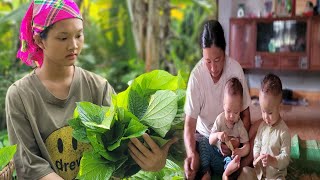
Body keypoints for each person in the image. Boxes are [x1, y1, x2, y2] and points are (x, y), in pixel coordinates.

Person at [5, 1, 176, 179]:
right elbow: (29, 164)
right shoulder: (20, 95)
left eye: (79, 35)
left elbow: (121, 149)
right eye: (63, 38)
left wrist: (152, 162)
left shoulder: (98, 87)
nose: (73, 45)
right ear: (40, 40)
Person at [183, 19, 253, 179]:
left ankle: (230, 170)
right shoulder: (196, 76)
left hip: (232, 135)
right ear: (202, 55)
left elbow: (246, 116)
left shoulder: (235, 69)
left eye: (217, 60)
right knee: (192, 166)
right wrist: (191, 153)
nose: (213, 68)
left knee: (259, 133)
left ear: (225, 53)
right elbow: (189, 125)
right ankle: (210, 171)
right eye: (207, 61)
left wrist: (236, 142)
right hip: (205, 138)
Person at [238, 74, 291, 180]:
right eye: (263, 111)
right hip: (259, 175)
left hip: (275, 176)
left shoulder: (283, 131)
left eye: (270, 113)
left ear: (280, 106)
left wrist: (273, 161)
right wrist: (256, 155)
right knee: (245, 172)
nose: (265, 117)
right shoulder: (262, 126)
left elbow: (285, 158)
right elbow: (257, 143)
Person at [198, 78, 250, 180]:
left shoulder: (239, 125)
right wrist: (217, 135)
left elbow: (247, 145)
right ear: (223, 105)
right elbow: (211, 140)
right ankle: (207, 171)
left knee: (235, 161)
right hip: (215, 156)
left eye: (236, 112)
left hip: (228, 160)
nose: (231, 116)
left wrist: (240, 151)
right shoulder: (220, 119)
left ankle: (226, 174)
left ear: (240, 108)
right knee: (203, 142)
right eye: (228, 111)